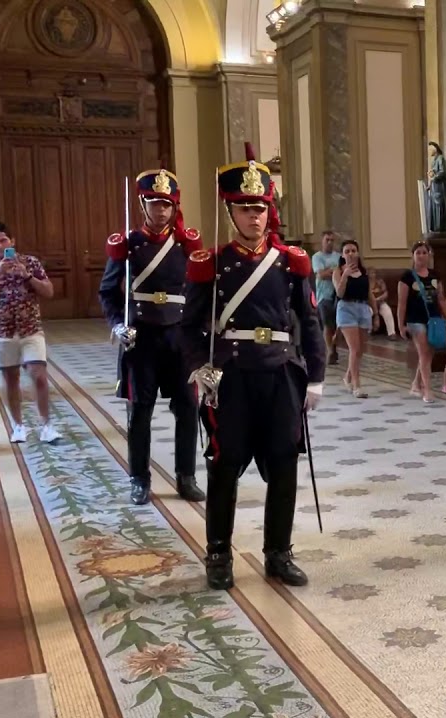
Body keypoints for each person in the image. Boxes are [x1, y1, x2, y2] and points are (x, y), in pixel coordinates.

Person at [181, 144, 325, 590]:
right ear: (231, 212)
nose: (254, 217)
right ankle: (218, 553)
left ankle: (278, 552)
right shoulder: (211, 264)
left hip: (281, 374)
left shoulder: (290, 262)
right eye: (245, 209)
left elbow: (310, 321)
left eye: (260, 208)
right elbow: (189, 326)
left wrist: (316, 378)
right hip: (232, 377)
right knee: (225, 466)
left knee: (283, 464)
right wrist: (197, 367)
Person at [99, 168, 206, 506]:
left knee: (188, 407)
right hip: (141, 337)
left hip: (178, 337)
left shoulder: (186, 244)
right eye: (154, 203)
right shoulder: (128, 245)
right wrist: (117, 324)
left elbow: (200, 292)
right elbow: (108, 292)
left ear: (174, 207)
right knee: (140, 411)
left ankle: (186, 476)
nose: (161, 210)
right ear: (142, 205)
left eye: (166, 204)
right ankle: (139, 478)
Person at [0, 222, 61, 444]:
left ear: (12, 241)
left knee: (38, 375)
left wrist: (27, 276)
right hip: (2, 332)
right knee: (10, 379)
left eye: (3, 240)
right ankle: (18, 426)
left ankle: (46, 425)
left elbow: (49, 291)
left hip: (30, 329)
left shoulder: (31, 262)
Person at [398, 241, 446, 403]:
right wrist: (401, 325)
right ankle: (427, 390)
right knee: (424, 353)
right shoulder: (407, 277)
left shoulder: (435, 275)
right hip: (415, 319)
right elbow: (402, 303)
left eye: (424, 252)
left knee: (428, 353)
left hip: (434, 319)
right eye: (418, 252)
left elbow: (441, 299)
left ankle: (415, 384)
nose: (421, 256)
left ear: (429, 255)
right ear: (413, 256)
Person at [333, 238, 371, 398]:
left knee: (360, 350)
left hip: (363, 309)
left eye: (353, 251)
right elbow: (339, 293)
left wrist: (375, 314)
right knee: (354, 349)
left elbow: (369, 293)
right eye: (347, 251)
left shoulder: (364, 271)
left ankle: (348, 376)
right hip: (346, 309)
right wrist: (345, 275)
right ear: (342, 255)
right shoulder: (338, 271)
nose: (350, 253)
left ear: (358, 253)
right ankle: (356, 385)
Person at [312, 231, 342, 365]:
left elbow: (342, 273)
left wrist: (331, 272)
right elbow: (321, 275)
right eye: (327, 240)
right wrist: (334, 272)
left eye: (332, 240)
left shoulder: (339, 257)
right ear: (322, 241)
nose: (330, 243)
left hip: (338, 295)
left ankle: (333, 345)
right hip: (323, 296)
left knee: (338, 325)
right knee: (327, 325)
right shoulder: (317, 257)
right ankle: (330, 350)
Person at [369, 269, 398, 339]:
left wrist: (379, 298)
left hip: (380, 302)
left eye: (374, 273)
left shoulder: (380, 282)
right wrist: (373, 301)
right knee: (368, 312)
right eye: (371, 273)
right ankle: (368, 332)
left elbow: (386, 293)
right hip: (369, 304)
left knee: (388, 311)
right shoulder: (365, 282)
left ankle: (392, 333)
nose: (372, 275)